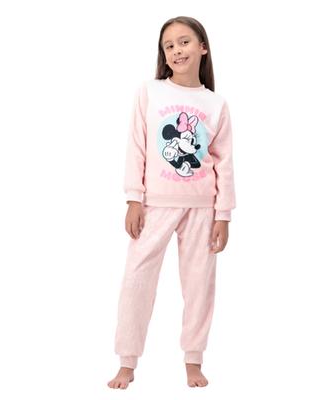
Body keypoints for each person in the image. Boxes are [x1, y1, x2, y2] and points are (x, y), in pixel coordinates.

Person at [108, 15, 236, 389]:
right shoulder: (149, 92)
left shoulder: (216, 104)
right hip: (155, 205)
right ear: (163, 55)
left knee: (199, 285)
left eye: (184, 42)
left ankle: (193, 359)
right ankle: (127, 361)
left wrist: (223, 214)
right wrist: (134, 198)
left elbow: (225, 163)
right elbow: (136, 146)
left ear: (202, 47)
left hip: (202, 207)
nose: (177, 50)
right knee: (137, 280)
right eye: (169, 46)